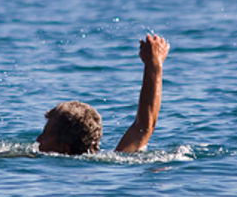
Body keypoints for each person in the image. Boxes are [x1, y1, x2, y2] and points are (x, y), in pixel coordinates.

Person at [36, 34, 170, 155]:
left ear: (64, 148)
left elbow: (145, 125)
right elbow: (144, 126)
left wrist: (153, 63)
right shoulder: (117, 157)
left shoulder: (35, 159)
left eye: (45, 135)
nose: (38, 139)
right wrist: (154, 63)